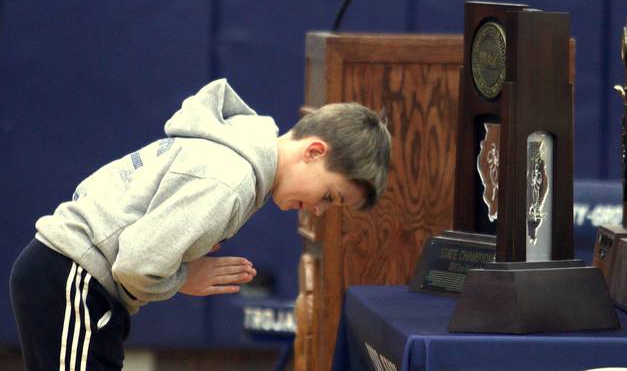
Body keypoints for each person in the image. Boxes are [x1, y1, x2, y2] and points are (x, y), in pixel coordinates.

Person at [9, 79, 391, 371]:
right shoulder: (231, 180)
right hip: (73, 279)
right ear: (313, 152)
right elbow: (136, 265)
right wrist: (183, 278)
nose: (320, 210)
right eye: (330, 195)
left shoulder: (234, 153)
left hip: (73, 278)